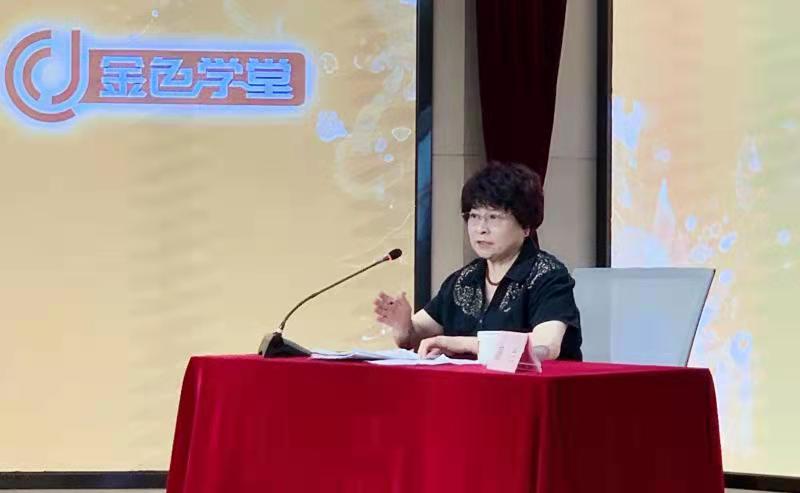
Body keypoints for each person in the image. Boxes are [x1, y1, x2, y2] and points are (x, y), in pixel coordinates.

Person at [374, 161, 582, 362]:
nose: (481, 228)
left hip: (532, 385)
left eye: (494, 217)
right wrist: (402, 327)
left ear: (526, 226)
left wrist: (460, 344)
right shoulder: (464, 279)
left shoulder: (548, 275)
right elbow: (416, 336)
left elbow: (545, 347)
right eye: (474, 216)